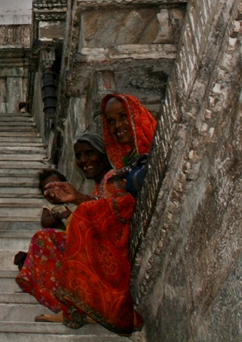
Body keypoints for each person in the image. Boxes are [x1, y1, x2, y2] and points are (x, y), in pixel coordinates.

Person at [22, 95, 157, 335]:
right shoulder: (112, 173)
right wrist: (77, 199)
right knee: (46, 240)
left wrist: (80, 202)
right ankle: (79, 305)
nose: (117, 126)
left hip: (122, 241)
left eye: (123, 117)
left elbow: (121, 205)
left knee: (84, 216)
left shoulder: (142, 155)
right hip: (110, 240)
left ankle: (89, 307)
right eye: (111, 122)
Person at [16, 132, 112, 319]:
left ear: (103, 153)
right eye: (78, 156)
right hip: (94, 248)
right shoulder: (97, 186)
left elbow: (111, 215)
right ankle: (70, 306)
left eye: (89, 153)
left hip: (107, 253)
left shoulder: (112, 179)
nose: (84, 161)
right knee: (43, 241)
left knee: (44, 240)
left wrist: (78, 201)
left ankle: (74, 307)